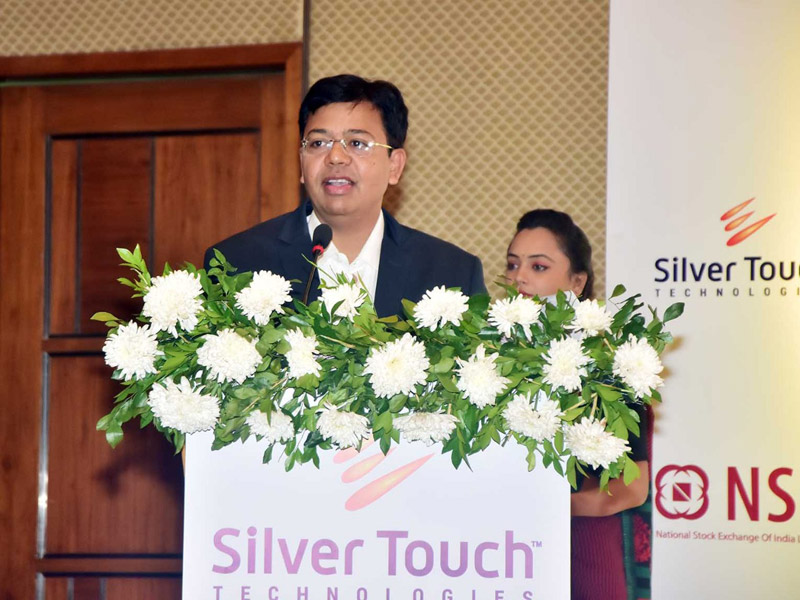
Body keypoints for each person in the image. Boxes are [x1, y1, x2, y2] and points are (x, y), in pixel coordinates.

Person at [204, 74, 486, 317]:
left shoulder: (452, 274)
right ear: (301, 162)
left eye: (357, 143)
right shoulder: (238, 263)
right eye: (318, 143)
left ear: (395, 166)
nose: (336, 157)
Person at [505, 209, 650, 600]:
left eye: (538, 266)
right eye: (513, 264)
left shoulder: (610, 363)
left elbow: (633, 486)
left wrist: (555, 508)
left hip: (582, 547)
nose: (519, 277)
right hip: (501, 550)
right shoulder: (488, 357)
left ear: (577, 282)